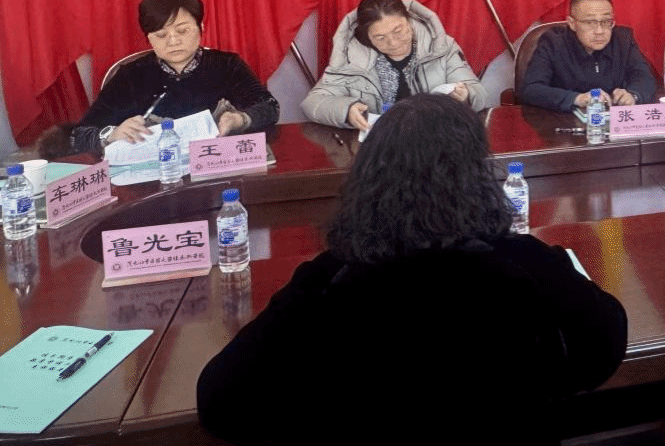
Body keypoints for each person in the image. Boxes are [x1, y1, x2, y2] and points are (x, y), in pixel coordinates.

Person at [196, 95, 628, 445]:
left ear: (367, 178)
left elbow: (221, 401)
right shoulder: (523, 261)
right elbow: (603, 348)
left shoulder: (328, 280)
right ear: (477, 176)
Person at [69, 0, 278, 155]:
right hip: (154, 177)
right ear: (148, 38)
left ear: (201, 27)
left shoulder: (227, 65)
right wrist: (111, 134)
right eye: (161, 35)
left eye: (183, 30)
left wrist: (240, 119)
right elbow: (78, 135)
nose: (173, 41)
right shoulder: (131, 76)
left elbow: (270, 107)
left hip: (217, 165)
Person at [302, 0, 486, 129]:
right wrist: (346, 110)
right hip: (382, 150)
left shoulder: (440, 47)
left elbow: (478, 92)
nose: (393, 42)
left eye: (398, 31)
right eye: (380, 38)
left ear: (409, 19)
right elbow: (312, 103)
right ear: (367, 37)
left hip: (437, 143)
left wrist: (466, 95)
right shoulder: (351, 59)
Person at [519, 0, 657, 113]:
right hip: (563, 124)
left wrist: (633, 95)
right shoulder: (553, 42)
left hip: (613, 124)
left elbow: (644, 77)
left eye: (606, 21)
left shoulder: (623, 40)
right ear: (572, 23)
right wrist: (577, 98)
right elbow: (531, 89)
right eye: (590, 22)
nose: (599, 31)